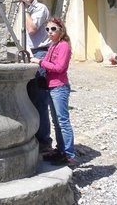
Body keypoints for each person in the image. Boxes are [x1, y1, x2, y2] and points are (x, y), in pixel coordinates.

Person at [31, 17, 76, 165]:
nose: (50, 32)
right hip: (51, 87)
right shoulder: (53, 45)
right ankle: (61, 150)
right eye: (47, 29)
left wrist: (40, 62)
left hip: (59, 87)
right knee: (56, 121)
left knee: (63, 121)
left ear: (61, 30)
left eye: (53, 29)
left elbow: (59, 67)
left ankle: (69, 155)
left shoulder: (63, 46)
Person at [15, 0, 52, 153]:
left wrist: (25, 10)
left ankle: (44, 142)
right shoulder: (25, 11)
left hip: (40, 54)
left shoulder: (39, 9)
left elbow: (32, 29)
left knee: (39, 99)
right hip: (29, 54)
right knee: (28, 97)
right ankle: (33, 137)